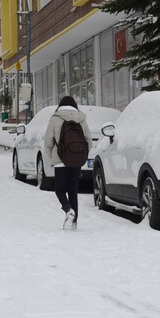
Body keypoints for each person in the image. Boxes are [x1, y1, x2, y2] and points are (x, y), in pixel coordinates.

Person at [43, 95, 92, 230]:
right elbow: (88, 140)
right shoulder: (81, 119)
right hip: (76, 160)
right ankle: (74, 223)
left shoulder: (55, 119)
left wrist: (54, 155)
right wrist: (81, 155)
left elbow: (48, 142)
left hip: (60, 159)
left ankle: (68, 209)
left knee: (59, 189)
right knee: (73, 191)